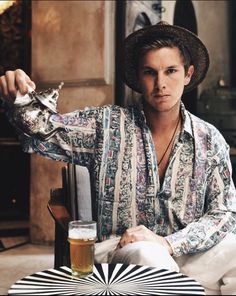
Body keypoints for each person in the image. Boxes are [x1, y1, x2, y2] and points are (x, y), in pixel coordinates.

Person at [0, 21, 236, 294]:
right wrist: (17, 98)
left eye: (171, 71)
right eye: (150, 72)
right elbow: (44, 133)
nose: (160, 84)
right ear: (138, 77)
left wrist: (171, 243)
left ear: (187, 74)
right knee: (149, 255)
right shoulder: (105, 125)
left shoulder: (210, 138)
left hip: (184, 248)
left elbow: (225, 213)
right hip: (124, 251)